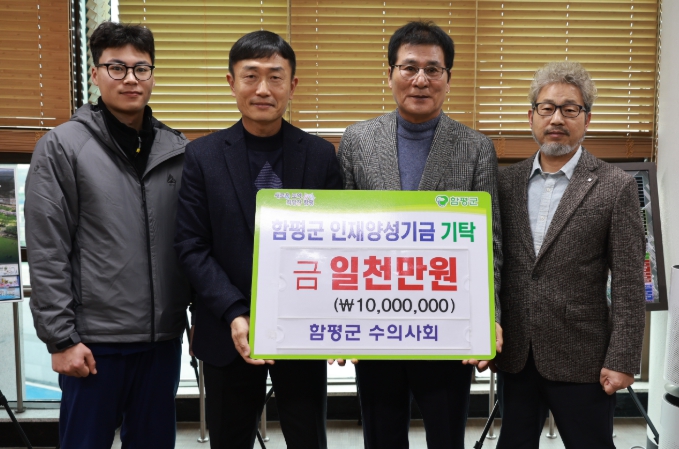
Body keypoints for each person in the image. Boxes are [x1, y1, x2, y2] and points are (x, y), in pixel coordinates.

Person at [336, 21, 503, 449]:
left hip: (447, 323)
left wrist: (489, 317)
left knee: (446, 437)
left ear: (448, 77)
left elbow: (490, 244)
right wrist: (341, 319)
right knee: (382, 437)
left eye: (433, 69)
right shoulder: (357, 140)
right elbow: (341, 239)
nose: (421, 79)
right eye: (409, 67)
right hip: (376, 323)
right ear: (390, 73)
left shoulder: (476, 147)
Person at [25, 22, 190, 448]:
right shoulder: (62, 146)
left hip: (161, 341)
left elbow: (190, 244)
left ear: (153, 76)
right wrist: (61, 339)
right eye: (117, 68)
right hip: (94, 342)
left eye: (141, 68)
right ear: (96, 75)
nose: (130, 79)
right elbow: (47, 250)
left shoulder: (176, 148)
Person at [174, 30, 342, 449]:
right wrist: (234, 312)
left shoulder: (320, 155)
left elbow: (336, 245)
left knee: (308, 439)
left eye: (275, 77)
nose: (263, 89)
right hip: (226, 328)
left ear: (292, 85)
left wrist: (341, 321)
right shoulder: (203, 155)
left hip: (303, 329)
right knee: (229, 440)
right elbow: (192, 246)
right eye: (251, 76)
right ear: (231, 82)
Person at [494, 61, 646, 448]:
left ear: (587, 118)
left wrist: (623, 359)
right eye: (547, 108)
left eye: (570, 109)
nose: (557, 118)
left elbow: (629, 284)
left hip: (585, 359)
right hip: (517, 357)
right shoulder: (504, 183)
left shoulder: (616, 186)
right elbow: (491, 266)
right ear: (531, 116)